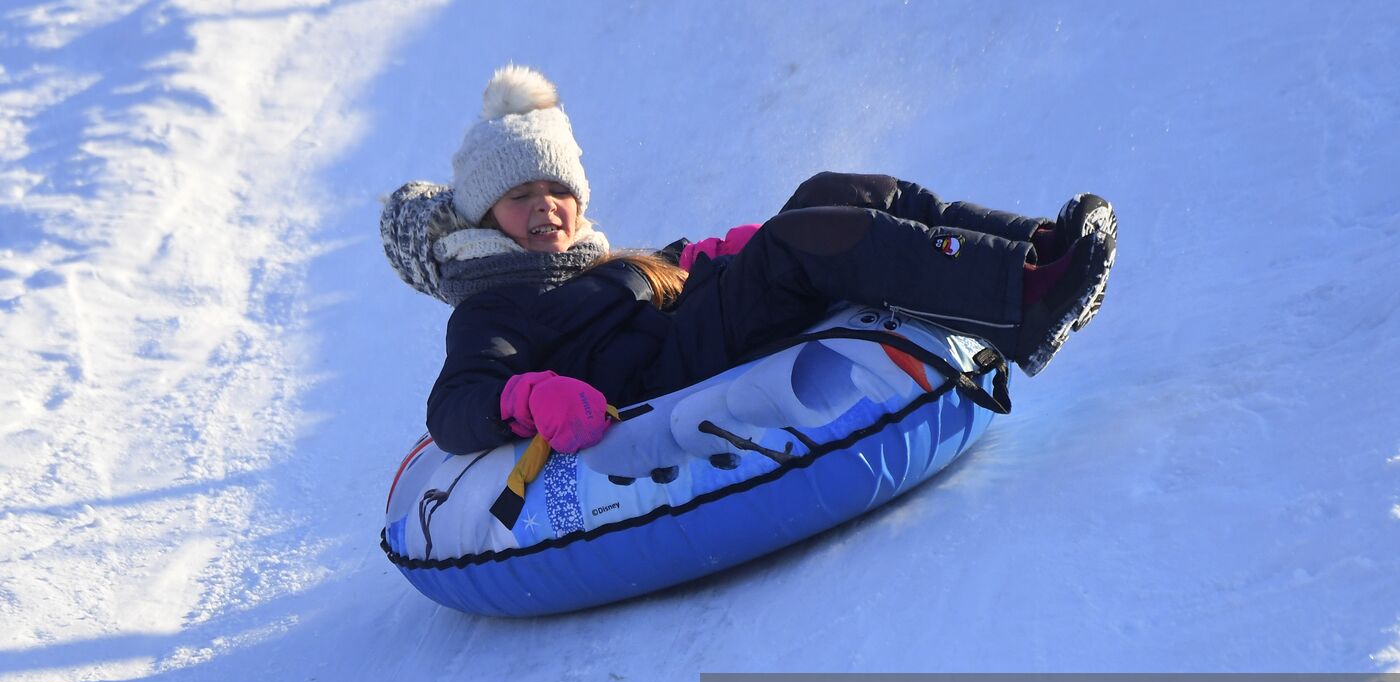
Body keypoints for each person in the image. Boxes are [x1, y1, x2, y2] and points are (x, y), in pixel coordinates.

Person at [381, 65, 1117, 457]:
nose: (546, 208)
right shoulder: (492, 306)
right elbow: (454, 407)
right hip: (672, 368)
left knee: (833, 194)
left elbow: (663, 268)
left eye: (557, 190)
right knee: (805, 242)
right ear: (487, 219)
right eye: (519, 197)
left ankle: (1031, 251)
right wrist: (527, 397)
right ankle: (1025, 305)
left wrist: (710, 252)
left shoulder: (584, 267)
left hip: (700, 316)